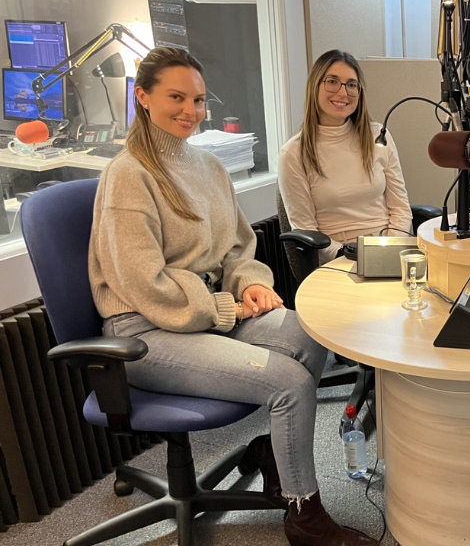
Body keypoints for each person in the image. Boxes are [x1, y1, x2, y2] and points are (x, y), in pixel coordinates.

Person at [89, 47, 376, 546]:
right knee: (289, 382)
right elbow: (143, 284)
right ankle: (304, 515)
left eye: (198, 99)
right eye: (176, 97)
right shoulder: (128, 175)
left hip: (206, 310)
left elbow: (238, 247)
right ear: (142, 97)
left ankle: (273, 455)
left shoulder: (207, 165)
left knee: (311, 335)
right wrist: (225, 308)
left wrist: (252, 283)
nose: (190, 110)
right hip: (145, 330)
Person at [279, 50, 412, 264]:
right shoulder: (293, 153)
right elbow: (306, 229)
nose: (343, 93)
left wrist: (388, 250)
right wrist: (354, 257)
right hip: (339, 259)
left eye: (351, 85)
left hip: (389, 252)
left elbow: (400, 208)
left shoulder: (378, 136)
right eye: (332, 82)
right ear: (315, 86)